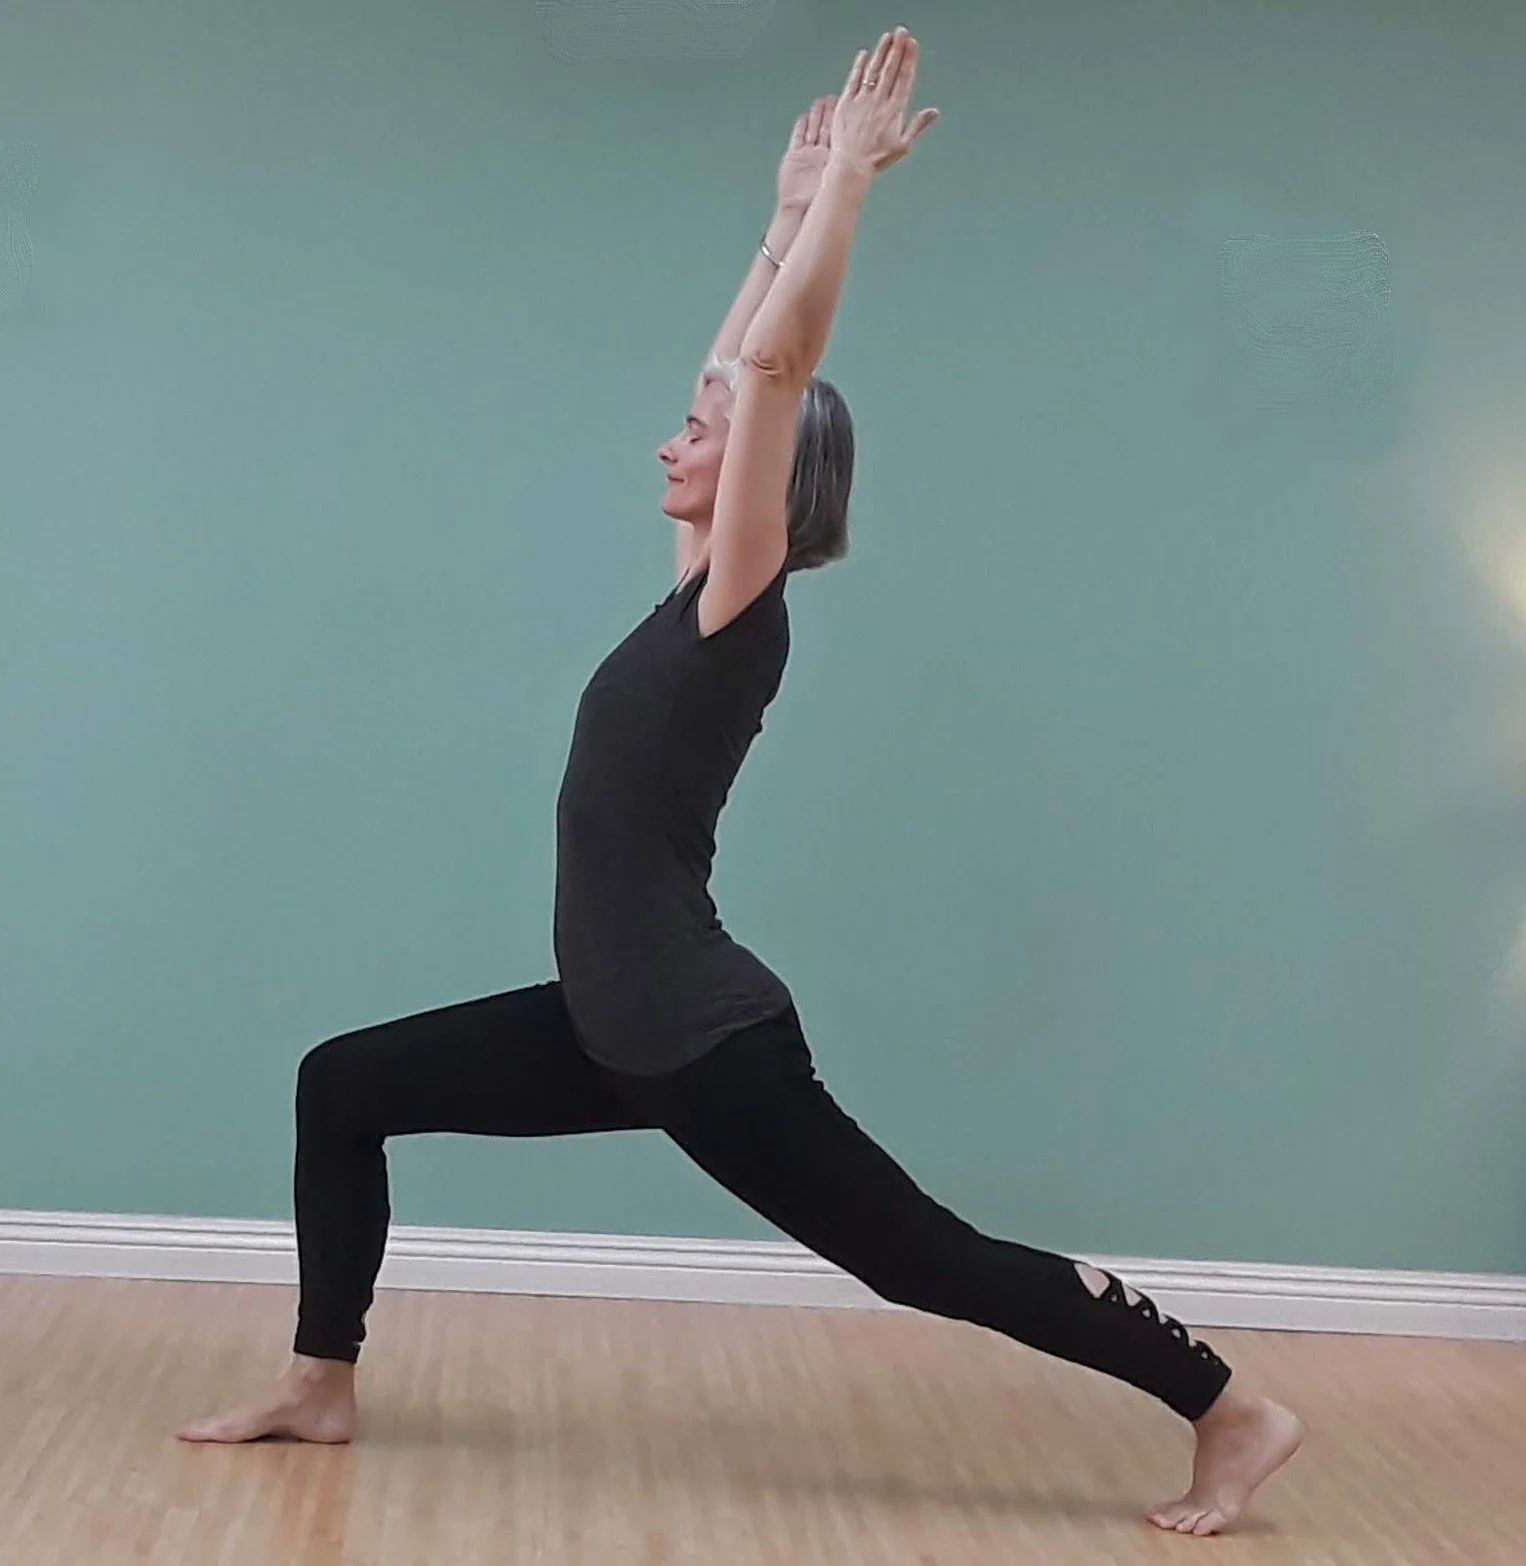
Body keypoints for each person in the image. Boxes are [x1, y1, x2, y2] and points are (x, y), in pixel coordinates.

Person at [179, 28, 1302, 1537]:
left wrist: (845, 191)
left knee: (919, 1257)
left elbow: (773, 366)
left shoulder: (740, 604)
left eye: (699, 434)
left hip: (705, 1045)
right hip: (607, 1025)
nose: (674, 431)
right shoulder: (693, 587)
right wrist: (776, 218)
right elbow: (741, 362)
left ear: (764, 478)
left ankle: (1230, 1406)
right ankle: (322, 1381)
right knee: (345, 1080)